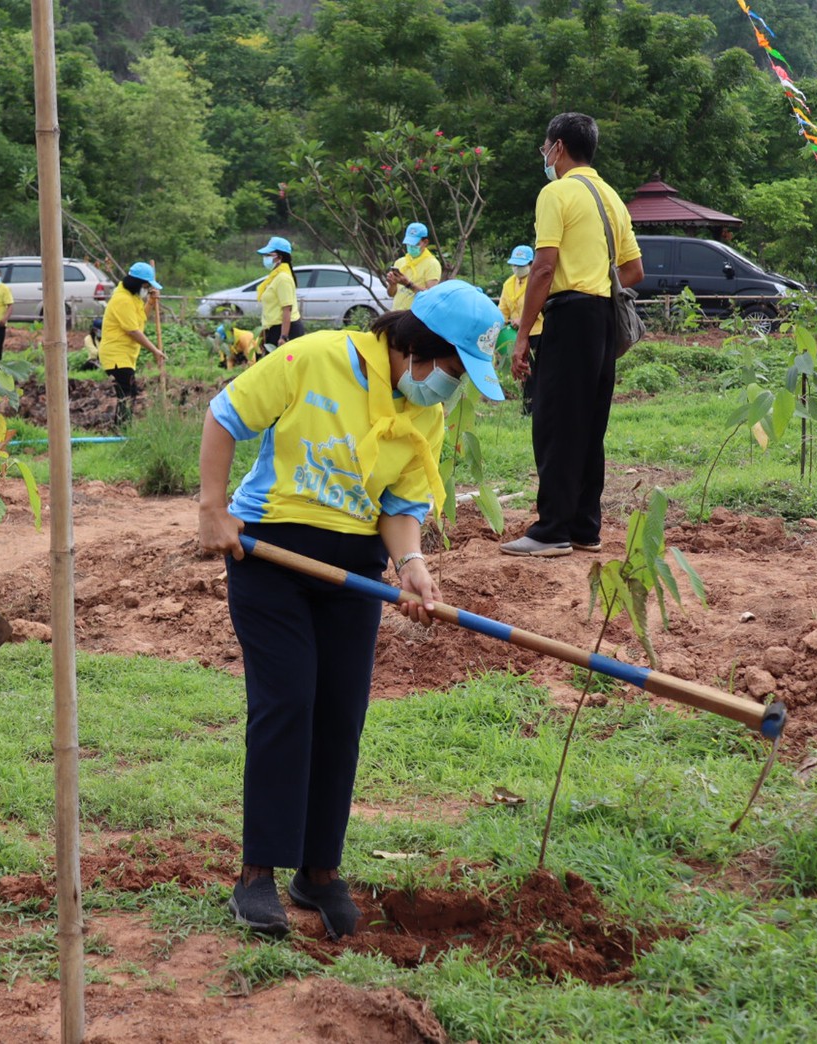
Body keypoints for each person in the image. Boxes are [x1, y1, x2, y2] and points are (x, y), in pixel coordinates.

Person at [198, 281, 505, 940]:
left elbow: (399, 506)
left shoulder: (424, 411)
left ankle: (319, 871)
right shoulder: (314, 358)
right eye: (455, 371)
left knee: (341, 713)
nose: (451, 387)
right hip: (271, 555)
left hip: (355, 573)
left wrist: (412, 565)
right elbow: (226, 415)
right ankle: (257, 874)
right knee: (287, 701)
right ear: (421, 348)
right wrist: (213, 509)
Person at [505, 113, 643, 558]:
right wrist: (596, 281)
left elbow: (543, 268)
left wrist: (523, 334)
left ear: (558, 147)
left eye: (545, 147)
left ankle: (551, 531)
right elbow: (634, 271)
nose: (544, 155)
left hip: (569, 315)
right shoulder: (612, 197)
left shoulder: (557, 193)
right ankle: (585, 526)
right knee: (589, 422)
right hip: (603, 317)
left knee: (556, 421)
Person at [97, 262, 166, 425]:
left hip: (126, 355)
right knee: (127, 394)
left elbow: (139, 319)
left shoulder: (132, 297)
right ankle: (122, 429)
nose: (146, 289)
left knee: (128, 394)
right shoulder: (122, 300)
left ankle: (122, 427)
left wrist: (151, 302)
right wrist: (155, 350)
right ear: (137, 283)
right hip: (116, 355)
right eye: (145, 286)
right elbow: (133, 330)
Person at [497, 244, 543, 415]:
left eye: (521, 265)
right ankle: (527, 409)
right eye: (514, 265)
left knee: (534, 372)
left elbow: (541, 307)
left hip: (537, 332)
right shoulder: (508, 284)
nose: (517, 268)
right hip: (516, 335)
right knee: (523, 372)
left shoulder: (537, 281)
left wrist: (523, 319)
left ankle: (532, 410)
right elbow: (502, 310)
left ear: (531, 264)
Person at [256, 237, 304, 350]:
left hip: (285, 330)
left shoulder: (283, 278)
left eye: (269, 255)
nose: (265, 258)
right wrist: (263, 334)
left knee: (288, 360)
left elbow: (287, 309)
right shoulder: (274, 277)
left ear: (280, 257)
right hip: (273, 329)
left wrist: (283, 337)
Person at [385, 222, 442, 311]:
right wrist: (392, 284)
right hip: (397, 313)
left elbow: (431, 297)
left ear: (425, 242)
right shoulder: (400, 262)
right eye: (408, 244)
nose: (411, 247)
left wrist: (408, 284)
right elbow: (391, 294)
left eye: (416, 244)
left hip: (416, 314)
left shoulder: (432, 264)